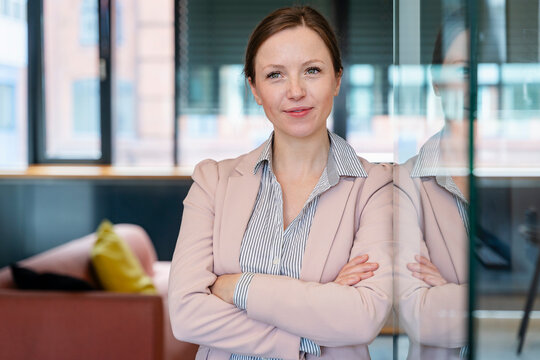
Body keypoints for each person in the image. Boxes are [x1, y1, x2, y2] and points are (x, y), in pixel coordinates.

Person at [168, 6, 393, 360]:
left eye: (312, 71)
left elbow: (362, 318)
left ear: (337, 79)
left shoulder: (376, 187)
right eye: (275, 75)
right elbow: (185, 316)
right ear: (254, 89)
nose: (296, 91)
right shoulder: (213, 181)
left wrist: (237, 286)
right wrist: (313, 325)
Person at [394, 10, 470, 360]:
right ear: (437, 80)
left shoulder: (524, 175)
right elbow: (421, 316)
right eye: (464, 69)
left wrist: (452, 294)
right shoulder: (405, 184)